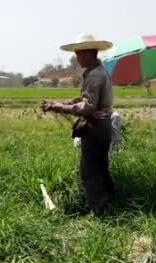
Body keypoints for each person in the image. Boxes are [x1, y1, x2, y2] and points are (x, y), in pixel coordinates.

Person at [41, 34, 115, 214]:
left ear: (90, 53)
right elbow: (85, 99)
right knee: (100, 165)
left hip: (95, 126)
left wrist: (60, 107)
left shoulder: (95, 75)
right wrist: (65, 104)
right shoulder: (98, 71)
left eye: (79, 54)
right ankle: (108, 201)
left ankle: (98, 210)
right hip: (103, 125)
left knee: (90, 170)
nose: (77, 57)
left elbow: (88, 107)